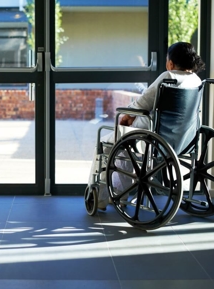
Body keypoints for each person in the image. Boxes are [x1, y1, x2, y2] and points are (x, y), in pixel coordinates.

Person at [88, 42, 206, 210]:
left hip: (153, 136)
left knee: (106, 144)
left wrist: (128, 115)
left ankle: (100, 198)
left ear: (170, 63)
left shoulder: (169, 77)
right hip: (183, 138)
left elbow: (142, 103)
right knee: (125, 148)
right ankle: (120, 195)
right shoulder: (196, 80)